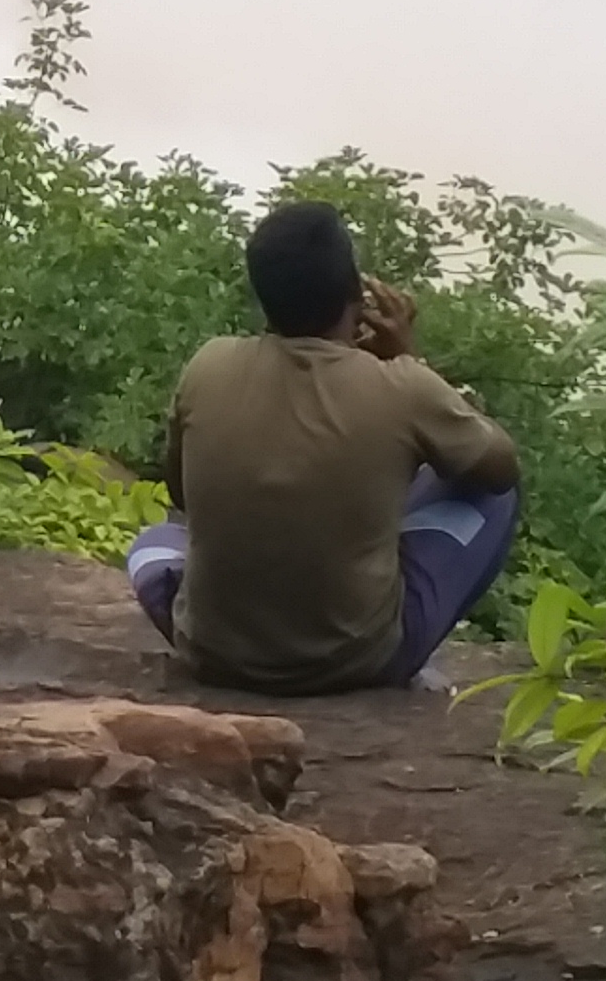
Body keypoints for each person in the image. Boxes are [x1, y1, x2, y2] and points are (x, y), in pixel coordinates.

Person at [125, 199, 523, 695]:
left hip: (212, 651)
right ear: (356, 292)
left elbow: (182, 497)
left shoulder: (208, 365)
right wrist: (411, 363)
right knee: (491, 494)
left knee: (153, 543)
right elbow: (500, 468)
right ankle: (404, 657)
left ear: (262, 295)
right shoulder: (402, 387)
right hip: (355, 663)